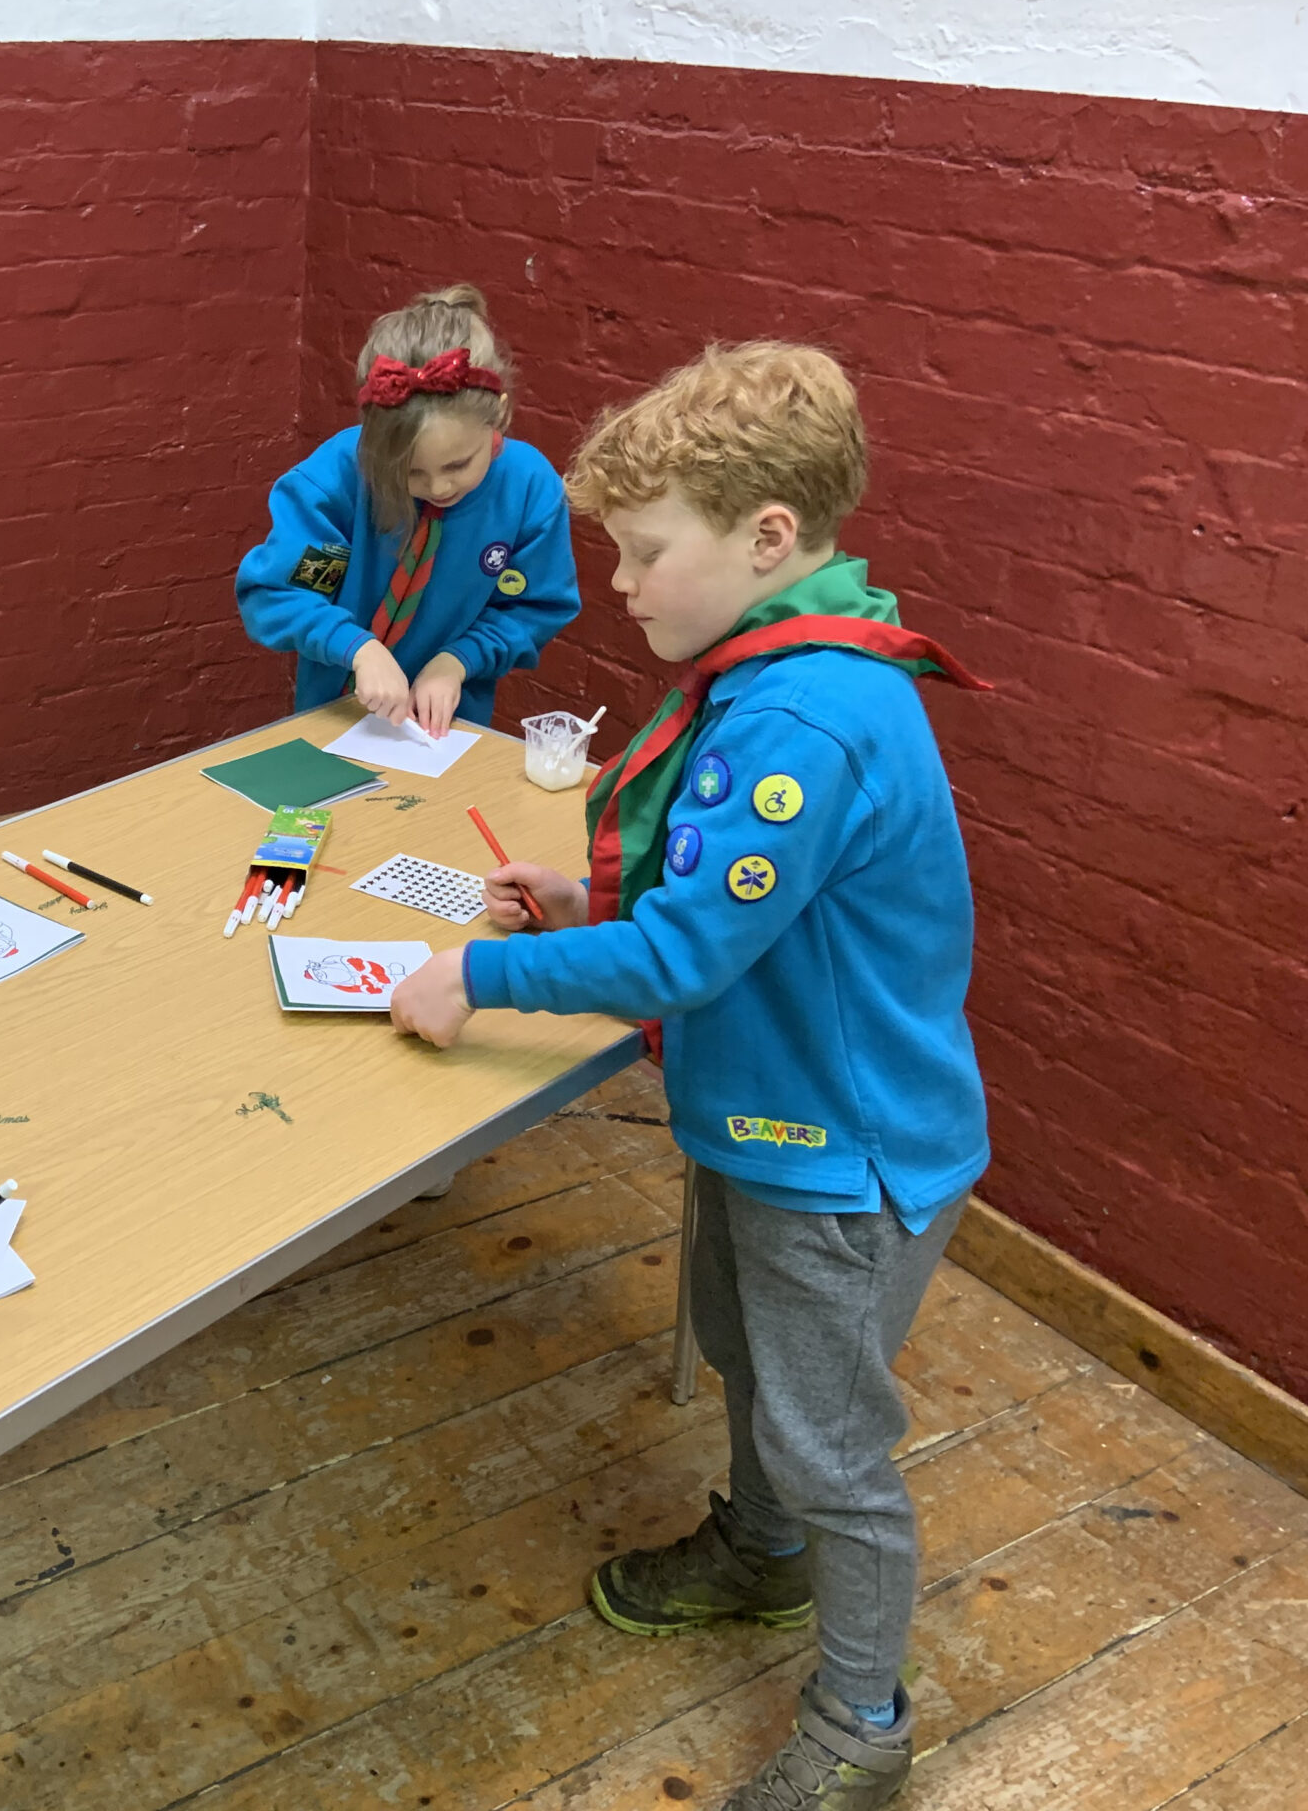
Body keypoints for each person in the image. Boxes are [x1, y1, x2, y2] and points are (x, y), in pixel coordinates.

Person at [388, 343, 989, 1811]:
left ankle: (862, 1723)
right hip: (767, 1123)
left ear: (767, 538)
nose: (622, 585)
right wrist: (582, 903)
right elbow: (725, 895)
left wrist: (482, 977)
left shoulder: (800, 720)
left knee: (833, 1446)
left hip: (842, 1158)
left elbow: (687, 955)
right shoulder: (781, 674)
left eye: (646, 553)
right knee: (745, 1350)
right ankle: (761, 1554)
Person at [235, 283, 578, 737]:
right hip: (332, 723)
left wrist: (458, 661)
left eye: (458, 464)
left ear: (500, 413)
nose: (439, 487)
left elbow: (535, 607)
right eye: (410, 472)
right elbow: (273, 594)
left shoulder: (530, 488)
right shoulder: (335, 481)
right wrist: (357, 649)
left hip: (447, 732)